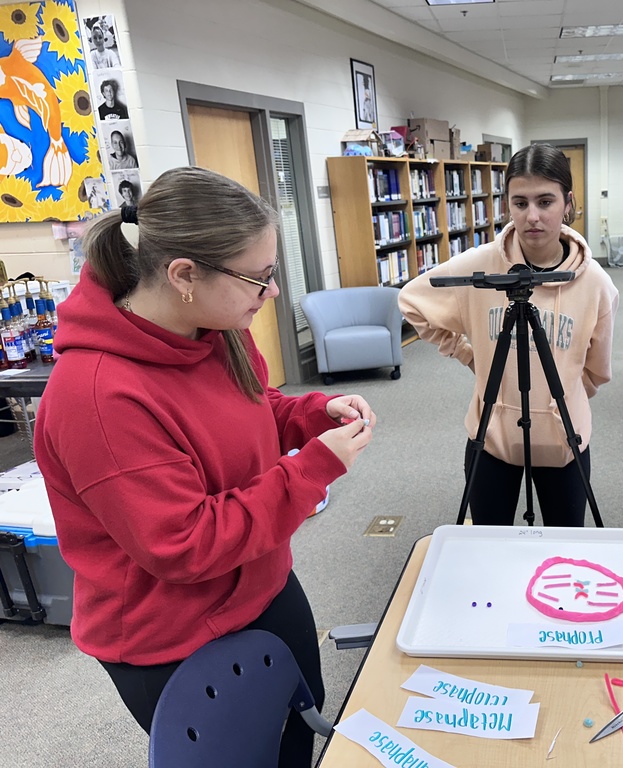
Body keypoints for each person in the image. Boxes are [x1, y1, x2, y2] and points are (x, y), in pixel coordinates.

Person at [33, 166, 376, 767]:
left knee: (296, 735)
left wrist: (312, 413)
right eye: (259, 278)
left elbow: (255, 407)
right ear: (184, 275)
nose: (270, 294)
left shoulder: (217, 326)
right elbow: (184, 545)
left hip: (261, 584)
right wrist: (310, 472)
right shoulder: (97, 395)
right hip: (173, 635)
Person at [399, 143, 618, 527]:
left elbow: (596, 373)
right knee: (487, 543)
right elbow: (412, 301)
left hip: (563, 439)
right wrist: (469, 355)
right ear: (507, 205)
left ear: (568, 203)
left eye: (545, 201)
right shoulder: (481, 265)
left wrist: (557, 394)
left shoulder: (596, 283)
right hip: (492, 438)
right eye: (520, 203)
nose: (532, 216)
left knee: (565, 551)